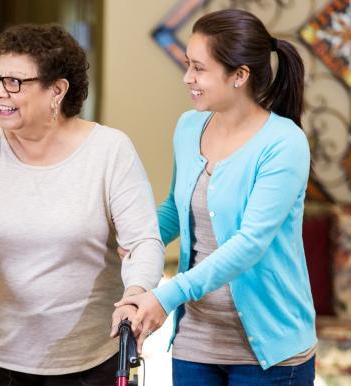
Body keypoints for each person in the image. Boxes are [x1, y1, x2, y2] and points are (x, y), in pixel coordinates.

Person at [0, 23, 164, 385]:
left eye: (15, 82)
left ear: (58, 90)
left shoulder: (109, 151)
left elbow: (143, 241)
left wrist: (135, 294)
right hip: (6, 356)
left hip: (95, 357)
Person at [114, 9, 316, 385]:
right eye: (188, 65)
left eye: (199, 68)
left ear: (240, 75)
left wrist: (166, 295)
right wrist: (136, 240)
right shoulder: (189, 126)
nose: (187, 78)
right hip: (197, 342)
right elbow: (176, 209)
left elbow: (249, 244)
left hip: (270, 352)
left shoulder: (283, 143)